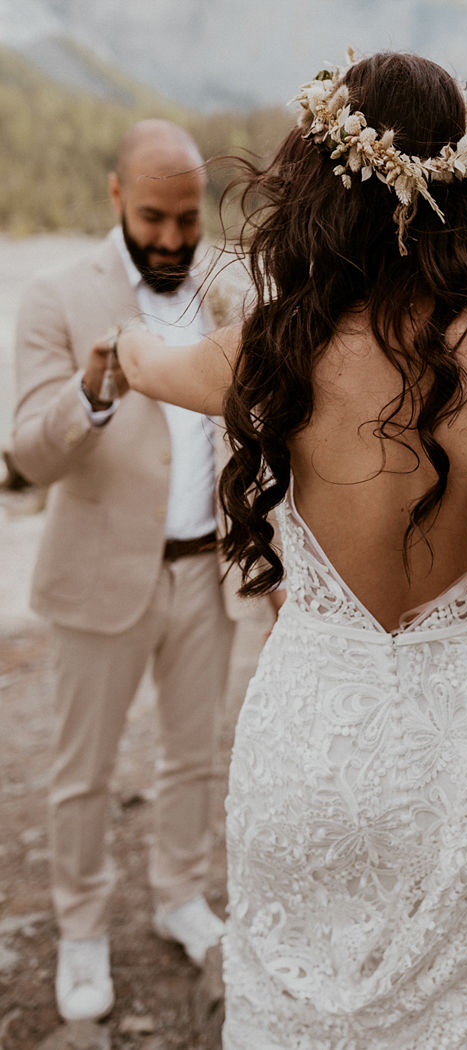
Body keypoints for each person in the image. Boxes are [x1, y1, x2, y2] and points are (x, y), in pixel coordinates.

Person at [117, 55, 467, 1049]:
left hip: (302, 748)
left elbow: (148, 362)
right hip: (453, 766)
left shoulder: (270, 348)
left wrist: (120, 347)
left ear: (322, 181)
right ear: (464, 192)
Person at [12, 119, 254, 1023]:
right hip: (97, 574)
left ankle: (181, 896)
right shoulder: (55, 296)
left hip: (208, 572)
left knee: (194, 758)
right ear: (118, 197)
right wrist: (89, 396)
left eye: (187, 219)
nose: (171, 238)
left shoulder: (230, 291)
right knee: (83, 770)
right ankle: (79, 927)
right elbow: (30, 458)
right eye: (153, 216)